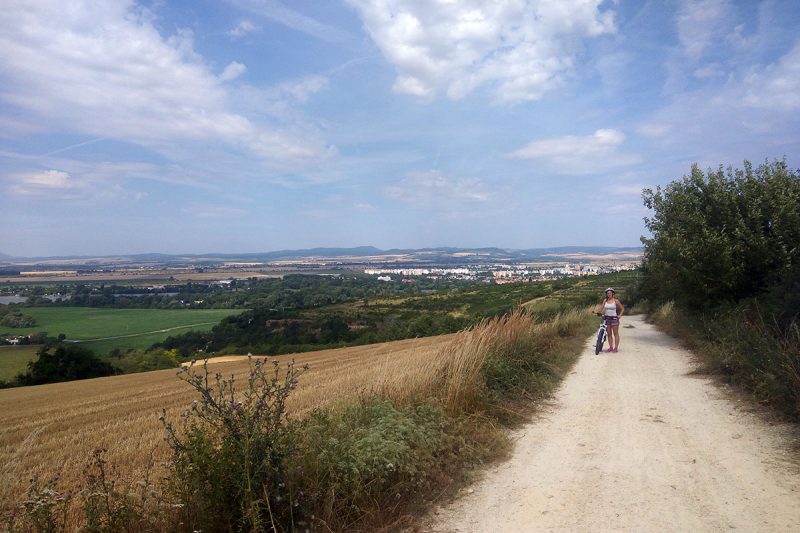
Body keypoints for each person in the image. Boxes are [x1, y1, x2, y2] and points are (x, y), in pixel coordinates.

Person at [596, 287, 624, 352]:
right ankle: (611, 347)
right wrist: (598, 313)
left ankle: (616, 348)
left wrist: (620, 315)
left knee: (615, 334)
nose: (609, 294)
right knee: (609, 334)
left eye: (610, 293)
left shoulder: (616, 301)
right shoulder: (605, 301)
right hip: (607, 318)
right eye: (607, 293)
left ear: (613, 294)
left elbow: (622, 308)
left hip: (614, 318)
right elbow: (601, 308)